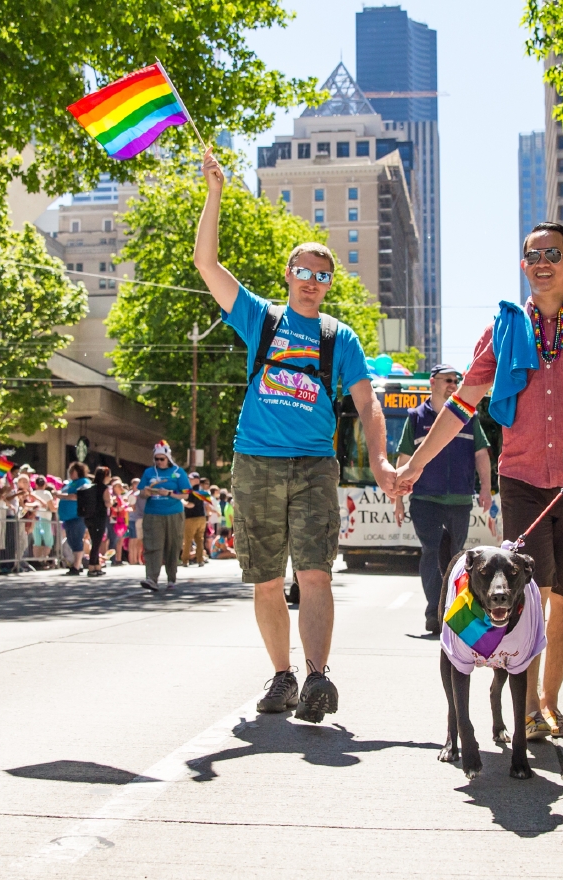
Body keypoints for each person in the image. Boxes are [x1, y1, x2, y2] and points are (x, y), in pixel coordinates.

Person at [396, 220, 563, 741]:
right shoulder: (503, 330)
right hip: (521, 476)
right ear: (524, 266)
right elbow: (462, 404)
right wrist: (416, 464)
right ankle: (523, 708)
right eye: (532, 255)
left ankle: (548, 701)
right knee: (533, 590)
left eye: (552, 253)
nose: (541, 262)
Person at [193, 145, 395, 723]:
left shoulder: (340, 337)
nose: (311, 281)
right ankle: (281, 675)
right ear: (288, 276)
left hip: (313, 466)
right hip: (254, 462)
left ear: (330, 284)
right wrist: (215, 194)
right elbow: (207, 264)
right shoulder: (260, 317)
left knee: (314, 575)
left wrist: (380, 462)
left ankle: (316, 679)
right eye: (302, 272)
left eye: (322, 275)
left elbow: (368, 403)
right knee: (264, 579)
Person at [393, 363, 494, 635]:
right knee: (432, 550)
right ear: (432, 383)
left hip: (460, 500)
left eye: (456, 380)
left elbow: (481, 454)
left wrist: (486, 488)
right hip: (425, 499)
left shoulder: (468, 418)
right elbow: (404, 459)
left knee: (455, 557)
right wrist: (398, 500)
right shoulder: (415, 418)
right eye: (448, 380)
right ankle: (434, 613)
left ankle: (453, 611)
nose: (453, 384)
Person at [138, 442, 190, 592]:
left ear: (168, 458)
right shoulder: (148, 473)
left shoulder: (178, 472)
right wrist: (146, 492)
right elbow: (141, 492)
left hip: (174, 513)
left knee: (172, 546)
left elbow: (186, 494)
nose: (159, 462)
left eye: (162, 459)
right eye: (157, 459)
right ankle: (151, 579)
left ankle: (171, 577)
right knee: (153, 545)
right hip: (153, 513)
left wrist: (169, 493)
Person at [77, 466, 113, 577]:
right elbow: (108, 503)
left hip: (88, 517)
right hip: (99, 517)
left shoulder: (89, 487)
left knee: (95, 540)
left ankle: (97, 565)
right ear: (105, 476)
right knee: (97, 543)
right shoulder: (103, 488)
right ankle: (92, 566)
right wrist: (112, 501)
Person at [57, 463, 91, 576]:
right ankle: (78, 563)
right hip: (68, 518)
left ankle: (76, 566)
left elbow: (77, 496)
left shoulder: (84, 482)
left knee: (76, 540)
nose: (71, 473)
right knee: (71, 540)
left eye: (73, 471)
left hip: (77, 516)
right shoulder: (70, 484)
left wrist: (59, 496)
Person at [181, 472, 209, 567]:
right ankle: (200, 560)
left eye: (191, 479)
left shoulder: (192, 491)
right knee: (200, 540)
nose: (189, 480)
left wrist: (182, 501)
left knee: (187, 540)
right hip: (202, 518)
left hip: (191, 518)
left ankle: (185, 560)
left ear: (196, 480)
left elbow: (191, 505)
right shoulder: (202, 491)